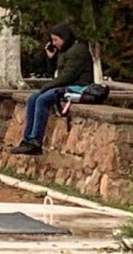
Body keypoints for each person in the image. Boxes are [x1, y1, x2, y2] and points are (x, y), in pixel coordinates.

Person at [10, 23, 93, 155]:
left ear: (64, 37)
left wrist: (45, 88)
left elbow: (67, 77)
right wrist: (52, 58)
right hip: (64, 85)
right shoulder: (64, 51)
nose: (54, 43)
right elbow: (55, 72)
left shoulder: (77, 51)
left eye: (56, 40)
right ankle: (27, 140)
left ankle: (35, 141)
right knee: (32, 98)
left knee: (42, 99)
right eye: (52, 40)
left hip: (77, 87)